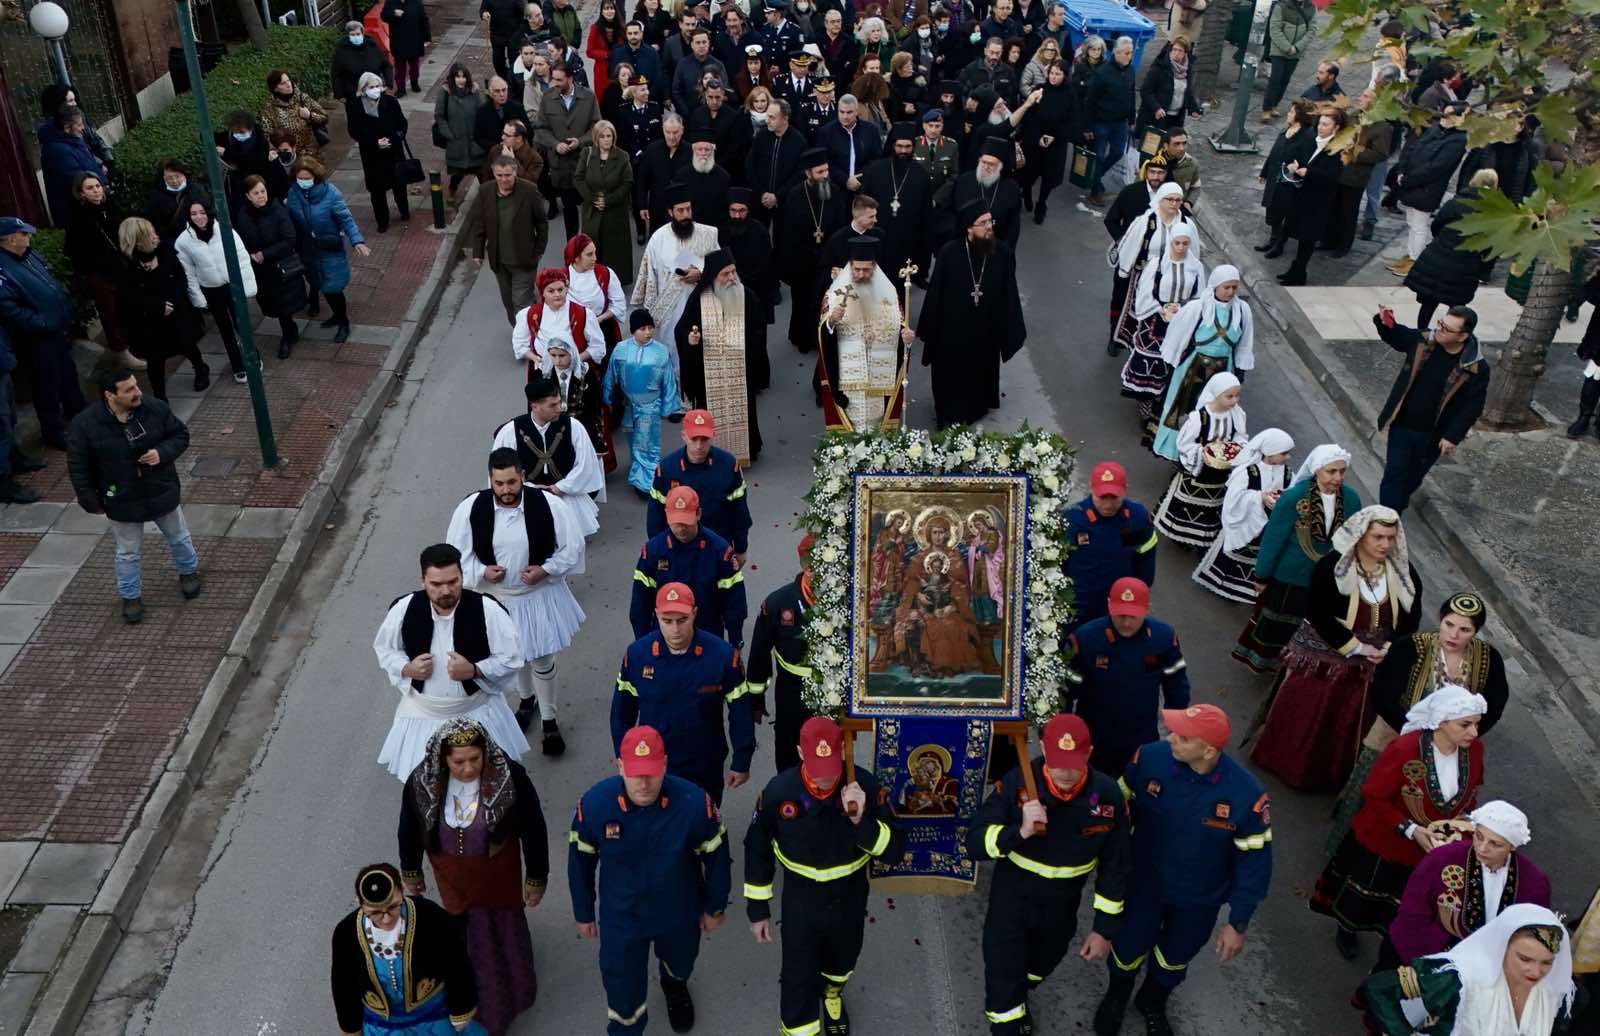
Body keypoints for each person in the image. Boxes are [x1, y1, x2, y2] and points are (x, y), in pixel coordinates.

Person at [1092, 705, 1271, 1036]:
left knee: (1176, 954)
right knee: (1128, 945)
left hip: (1197, 899)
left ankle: (1153, 1000)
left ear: (1208, 750)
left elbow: (1255, 862)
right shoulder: (1149, 758)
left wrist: (1238, 922)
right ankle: (1117, 994)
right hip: (1143, 885)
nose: (1170, 737)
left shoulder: (1247, 795)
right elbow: (1115, 803)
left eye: (1182, 736)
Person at [970, 713, 1130, 1036]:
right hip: (1012, 904)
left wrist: (1104, 930)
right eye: (1057, 762)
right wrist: (1019, 832)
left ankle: (1019, 997)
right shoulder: (1016, 783)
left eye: (1074, 762)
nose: (1065, 772)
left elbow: (1116, 865)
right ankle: (1008, 1019)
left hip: (1061, 909)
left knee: (1039, 967)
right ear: (1042, 748)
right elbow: (975, 842)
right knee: (1004, 983)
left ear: (1089, 753)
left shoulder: (1108, 796)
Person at [744, 715, 904, 1036]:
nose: (825, 781)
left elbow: (895, 850)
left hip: (849, 898)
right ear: (801, 755)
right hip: (801, 901)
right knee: (797, 979)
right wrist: (758, 909)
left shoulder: (866, 787)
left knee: (843, 961)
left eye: (831, 771)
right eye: (818, 773)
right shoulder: (778, 793)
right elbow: (757, 849)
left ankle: (832, 992)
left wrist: (862, 821)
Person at [569, 724, 732, 1035]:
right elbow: (580, 860)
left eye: (652, 773)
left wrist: (715, 906)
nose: (643, 784)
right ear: (619, 766)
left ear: (665, 765)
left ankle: (674, 984)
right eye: (634, 773)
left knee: (682, 960)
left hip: (679, 909)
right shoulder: (594, 806)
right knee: (621, 982)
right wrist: (583, 911)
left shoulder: (695, 804)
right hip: (622, 915)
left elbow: (717, 857)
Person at [1249, 506, 1425, 793]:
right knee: (1312, 715)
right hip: (1328, 656)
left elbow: (1411, 616)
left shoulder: (1405, 573)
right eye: (1378, 537)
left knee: (1349, 724)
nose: (1385, 544)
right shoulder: (1333, 565)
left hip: (1375, 661)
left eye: (1391, 538)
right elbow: (1318, 611)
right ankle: (1292, 767)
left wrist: (1391, 648)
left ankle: (1334, 778)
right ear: (1361, 536)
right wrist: (1355, 646)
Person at [1310, 685, 1487, 963]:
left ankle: (1393, 944)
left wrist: (1461, 826)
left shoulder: (1473, 751)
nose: (1474, 733)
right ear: (1441, 721)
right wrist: (1411, 829)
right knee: (1366, 891)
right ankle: (1347, 927)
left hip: (1428, 848)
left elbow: (1470, 793)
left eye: (1476, 724)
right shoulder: (1405, 749)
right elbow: (1374, 795)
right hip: (1385, 841)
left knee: (1405, 901)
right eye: (1465, 725)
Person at [398, 720, 545, 1035]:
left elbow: (534, 827)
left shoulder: (510, 777)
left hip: (498, 878)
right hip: (453, 881)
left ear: (484, 753)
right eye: (459, 762)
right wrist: (411, 871)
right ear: (444, 760)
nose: (468, 768)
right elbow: (409, 829)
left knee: (502, 934)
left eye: (474, 759)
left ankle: (509, 1000)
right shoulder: (422, 783)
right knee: (466, 941)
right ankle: (471, 1005)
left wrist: (536, 876)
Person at [446, 448, 585, 750]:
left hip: (537, 594)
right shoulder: (470, 509)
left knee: (541, 657)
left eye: (511, 482)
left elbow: (571, 547)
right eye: (499, 484)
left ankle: (549, 719)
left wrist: (545, 570)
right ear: (490, 480)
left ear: (522, 476)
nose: (506, 490)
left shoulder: (548, 504)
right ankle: (526, 701)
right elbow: (457, 557)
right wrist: (482, 571)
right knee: (513, 655)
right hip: (497, 599)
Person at [372, 543, 530, 780]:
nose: (445, 590)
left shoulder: (488, 609)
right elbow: (385, 649)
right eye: (436, 584)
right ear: (423, 580)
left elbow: (512, 658)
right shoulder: (404, 609)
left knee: (486, 782)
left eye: (452, 582)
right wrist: (407, 667)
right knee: (427, 787)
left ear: (462, 576)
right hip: (423, 717)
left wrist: (475, 670)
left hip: (476, 713)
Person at [65, 367, 201, 625]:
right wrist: (90, 499)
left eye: (136, 386)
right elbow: (78, 466)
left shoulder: (154, 408)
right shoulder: (85, 425)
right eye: (129, 389)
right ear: (110, 395)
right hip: (121, 496)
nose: (138, 392)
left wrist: (161, 453)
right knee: (127, 552)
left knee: (179, 536)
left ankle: (189, 572)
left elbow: (180, 435)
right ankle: (130, 597)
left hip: (160, 487)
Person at [614, 580, 753, 805]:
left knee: (703, 823)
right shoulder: (637, 656)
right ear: (656, 615)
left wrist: (742, 760)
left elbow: (740, 711)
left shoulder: (723, 657)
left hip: (704, 763)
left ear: (695, 613)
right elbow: (622, 710)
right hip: (653, 763)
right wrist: (623, 753)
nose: (675, 630)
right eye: (667, 621)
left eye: (682, 620)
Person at [1233, 444, 1361, 673]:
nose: (1337, 477)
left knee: (1309, 624)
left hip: (1324, 579)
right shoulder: (1294, 497)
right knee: (1278, 622)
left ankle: (1298, 665)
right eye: (1331, 471)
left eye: (1342, 471)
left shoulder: (1351, 500)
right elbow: (1274, 538)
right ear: (1317, 470)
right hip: (1289, 576)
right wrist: (1262, 574)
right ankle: (1266, 662)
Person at [1360, 904, 1577, 1036]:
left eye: (1547, 963)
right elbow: (1378, 988)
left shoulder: (1553, 995)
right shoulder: (1459, 979)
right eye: (1525, 959)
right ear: (1500, 947)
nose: (1536, 971)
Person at [330, 863, 485, 1036]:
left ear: (401, 892)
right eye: (375, 913)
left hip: (433, 1017)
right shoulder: (346, 934)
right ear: (361, 904)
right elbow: (343, 985)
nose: (386, 919)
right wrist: (351, 1028)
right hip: (382, 1027)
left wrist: (461, 1009)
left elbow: (456, 963)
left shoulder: (430, 916)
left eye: (392, 907)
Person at [1389, 802, 1553, 964]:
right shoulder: (1441, 859)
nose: (1482, 848)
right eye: (1479, 836)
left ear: (1512, 847)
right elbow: (1413, 913)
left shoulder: (1534, 883)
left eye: (1495, 844)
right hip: (1433, 954)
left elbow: (1531, 935)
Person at [1368, 303, 1489, 512]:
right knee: (1394, 473)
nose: (1439, 329)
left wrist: (1452, 436)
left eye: (1447, 329)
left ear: (1463, 336)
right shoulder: (1424, 340)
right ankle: (1386, 519)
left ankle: (1396, 507)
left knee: (1413, 477)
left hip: (1433, 434)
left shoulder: (1475, 368)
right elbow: (1398, 336)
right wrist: (1384, 321)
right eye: (1441, 323)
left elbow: (1473, 405)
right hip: (1402, 424)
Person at [1064, 577, 1189, 776]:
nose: (1127, 622)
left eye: (1133, 616)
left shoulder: (1163, 638)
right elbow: (1067, 692)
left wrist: (1177, 726)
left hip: (1141, 737)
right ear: (1108, 605)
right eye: (1120, 615)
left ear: (1147, 609)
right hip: (1095, 738)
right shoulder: (1084, 640)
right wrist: (1065, 733)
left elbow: (1176, 684)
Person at [916, 203, 1025, 427]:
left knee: (981, 370)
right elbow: (936, 293)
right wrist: (931, 329)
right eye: (983, 223)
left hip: (986, 328)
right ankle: (946, 413)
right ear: (968, 228)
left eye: (990, 222)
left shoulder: (1002, 252)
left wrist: (1009, 325)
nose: (989, 227)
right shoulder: (950, 252)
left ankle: (977, 407)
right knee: (949, 374)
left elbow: (1009, 291)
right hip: (952, 330)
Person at [0, 216, 88, 447]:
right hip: (36, 339)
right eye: (24, 234)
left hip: (56, 331)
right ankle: (54, 432)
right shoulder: (3, 269)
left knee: (67, 374)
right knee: (46, 385)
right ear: (10, 239)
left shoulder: (28, 256)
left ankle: (79, 414)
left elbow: (50, 281)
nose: (29, 237)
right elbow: (8, 309)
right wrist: (41, 323)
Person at [1152, 266, 1253, 459]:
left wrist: (1240, 370)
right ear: (1215, 286)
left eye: (1234, 288)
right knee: (1184, 408)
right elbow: (1178, 333)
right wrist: (1171, 361)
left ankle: (1209, 453)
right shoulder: (1198, 308)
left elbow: (1245, 341)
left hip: (1224, 369)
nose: (1231, 292)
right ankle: (1177, 451)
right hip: (1194, 368)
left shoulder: (1242, 311)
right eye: (1227, 287)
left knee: (1216, 411)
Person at [674, 251, 766, 464]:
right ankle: (709, 451)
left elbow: (759, 329)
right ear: (713, 277)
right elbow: (682, 330)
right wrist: (691, 341)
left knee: (744, 410)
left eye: (733, 271)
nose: (732, 278)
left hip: (740, 368)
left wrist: (745, 346)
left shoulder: (747, 296)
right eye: (725, 274)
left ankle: (748, 448)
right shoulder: (699, 299)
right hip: (709, 373)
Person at [817, 236, 915, 432]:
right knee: (851, 426)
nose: (861, 274)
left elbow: (900, 325)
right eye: (857, 269)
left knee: (876, 425)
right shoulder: (834, 294)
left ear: (874, 267)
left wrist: (907, 339)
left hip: (879, 375)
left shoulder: (889, 293)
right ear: (851, 267)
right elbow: (823, 333)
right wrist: (831, 322)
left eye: (866, 270)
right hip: (848, 373)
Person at [630, 486, 748, 647]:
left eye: (686, 521)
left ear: (698, 514)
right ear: (666, 515)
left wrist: (736, 642)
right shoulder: (652, 552)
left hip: (707, 635)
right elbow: (641, 603)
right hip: (668, 635)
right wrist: (642, 643)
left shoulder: (720, 552)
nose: (681, 528)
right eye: (676, 522)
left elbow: (734, 603)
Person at [491, 374, 605, 536]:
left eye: (559, 402)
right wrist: (531, 489)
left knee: (569, 544)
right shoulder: (510, 432)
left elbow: (586, 464)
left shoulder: (573, 427)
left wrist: (559, 488)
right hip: (526, 498)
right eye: (553, 405)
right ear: (535, 406)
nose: (560, 408)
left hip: (566, 497)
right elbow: (499, 471)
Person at [1121, 223, 1204, 445]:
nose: (1181, 247)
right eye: (1177, 243)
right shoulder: (1157, 265)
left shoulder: (1195, 267)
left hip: (1181, 321)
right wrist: (1160, 309)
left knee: (1173, 363)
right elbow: (1145, 291)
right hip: (1155, 321)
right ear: (1170, 242)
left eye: (1185, 244)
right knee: (1151, 361)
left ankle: (1161, 402)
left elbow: (1198, 296)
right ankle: (1145, 404)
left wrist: (1185, 311)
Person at [1193, 429, 1295, 603]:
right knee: (1233, 554)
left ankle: (1241, 589)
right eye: (1284, 453)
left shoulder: (1287, 474)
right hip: (1246, 519)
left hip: (1266, 524)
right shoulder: (1247, 472)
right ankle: (1219, 582)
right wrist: (1258, 497)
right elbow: (1233, 499)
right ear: (1270, 453)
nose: (1288, 457)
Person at [631, 185, 722, 380]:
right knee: (670, 350)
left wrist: (701, 273)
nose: (685, 214)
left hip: (699, 305)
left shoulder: (707, 235)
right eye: (680, 211)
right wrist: (649, 309)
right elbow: (649, 275)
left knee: (698, 349)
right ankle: (674, 392)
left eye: (688, 209)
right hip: (669, 312)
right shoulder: (658, 238)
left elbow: (722, 268)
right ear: (670, 212)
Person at [745, 534, 819, 772]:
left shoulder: (845, 600)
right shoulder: (778, 604)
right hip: (791, 693)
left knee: (826, 754)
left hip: (832, 695)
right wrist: (756, 698)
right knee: (789, 753)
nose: (820, 574)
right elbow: (759, 652)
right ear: (804, 566)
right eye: (813, 566)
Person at [115, 217, 208, 402]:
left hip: (176, 311)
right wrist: (157, 307)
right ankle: (160, 396)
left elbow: (181, 279)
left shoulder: (165, 251)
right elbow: (128, 297)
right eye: (148, 233)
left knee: (187, 346)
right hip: (149, 319)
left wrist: (171, 303)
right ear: (137, 238)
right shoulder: (125, 264)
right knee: (155, 359)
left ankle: (201, 368)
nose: (154, 235)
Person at [1062, 461, 1158, 635]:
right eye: (1102, 497)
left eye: (1114, 498)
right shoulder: (1072, 520)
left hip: (1117, 608)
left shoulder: (1136, 519)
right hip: (1078, 608)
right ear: (1091, 488)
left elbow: (1145, 561)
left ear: (1125, 490)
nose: (1108, 505)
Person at [1154, 372, 1249, 546]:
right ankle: (1181, 534)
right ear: (1216, 394)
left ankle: (1203, 537)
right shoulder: (1199, 419)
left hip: (1221, 470)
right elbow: (1185, 443)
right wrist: (1201, 452)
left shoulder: (1236, 414)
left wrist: (1235, 448)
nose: (1234, 400)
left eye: (1237, 396)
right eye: (1229, 396)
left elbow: (1241, 436)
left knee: (1212, 504)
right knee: (1189, 504)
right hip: (1199, 470)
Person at [285, 157, 371, 345]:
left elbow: (346, 219)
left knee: (332, 288)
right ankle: (337, 316)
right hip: (307, 250)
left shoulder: (331, 194)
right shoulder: (293, 193)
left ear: (316, 177)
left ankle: (343, 322)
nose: (303, 181)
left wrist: (357, 241)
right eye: (300, 177)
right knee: (319, 283)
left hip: (329, 249)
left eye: (307, 177)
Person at [645, 411, 754, 559]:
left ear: (713, 436)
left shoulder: (728, 466)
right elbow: (655, 518)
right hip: (679, 550)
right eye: (694, 438)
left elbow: (740, 512)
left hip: (718, 549)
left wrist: (741, 548)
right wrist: (659, 551)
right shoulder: (666, 470)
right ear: (684, 436)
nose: (699, 446)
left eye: (704, 439)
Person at [172, 199, 257, 384]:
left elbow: (241, 257)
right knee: (225, 329)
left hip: (231, 285)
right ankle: (237, 364)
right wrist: (198, 298)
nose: (199, 217)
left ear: (208, 212)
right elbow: (189, 273)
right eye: (193, 214)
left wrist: (247, 286)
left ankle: (252, 355)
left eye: (202, 212)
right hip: (211, 289)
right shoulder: (183, 242)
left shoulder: (225, 230)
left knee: (241, 322)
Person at [1404, 170, 1498, 330]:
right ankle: (1448, 334)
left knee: (1428, 304)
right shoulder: (1493, 214)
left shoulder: (1456, 203)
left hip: (1440, 258)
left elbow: (1437, 224)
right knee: (1456, 310)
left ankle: (1422, 335)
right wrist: (1484, 271)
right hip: (1466, 267)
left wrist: (1443, 240)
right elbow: (1492, 247)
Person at [463, 155, 550, 326]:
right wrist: (478, 252)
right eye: (499, 175)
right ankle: (522, 329)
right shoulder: (486, 191)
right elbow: (480, 222)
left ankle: (528, 340)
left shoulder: (530, 190)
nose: (504, 179)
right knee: (508, 302)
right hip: (500, 262)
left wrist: (539, 250)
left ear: (515, 173)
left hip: (524, 260)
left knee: (521, 303)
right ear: (494, 174)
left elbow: (541, 222)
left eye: (508, 175)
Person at [1386, 102, 1469, 279]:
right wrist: (1402, 170)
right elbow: (1413, 148)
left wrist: (1409, 179)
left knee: (1419, 225)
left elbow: (1436, 167)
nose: (1444, 119)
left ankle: (1415, 260)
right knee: (1411, 222)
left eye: (1449, 115)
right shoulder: (1435, 129)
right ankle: (1410, 254)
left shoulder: (1458, 140)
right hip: (1411, 182)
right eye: (1444, 114)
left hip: (1427, 188)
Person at [604, 310, 681, 494]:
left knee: (646, 443)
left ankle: (646, 483)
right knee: (633, 441)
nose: (648, 332)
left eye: (650, 328)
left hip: (649, 405)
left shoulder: (661, 351)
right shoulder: (621, 348)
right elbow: (611, 374)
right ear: (633, 330)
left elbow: (668, 379)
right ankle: (640, 472)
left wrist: (668, 406)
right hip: (628, 405)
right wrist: (607, 397)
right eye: (642, 328)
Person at [62, 172, 135, 362]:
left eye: (97, 186)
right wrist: (94, 269)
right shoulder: (77, 218)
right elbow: (73, 250)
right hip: (100, 274)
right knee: (110, 313)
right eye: (89, 188)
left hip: (121, 268)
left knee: (127, 307)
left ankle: (133, 343)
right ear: (81, 193)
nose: (96, 191)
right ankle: (121, 351)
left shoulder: (110, 206)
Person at [1108, 181, 1188, 355]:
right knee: (1132, 310)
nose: (1174, 203)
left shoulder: (1185, 224)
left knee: (1164, 315)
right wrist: (1124, 270)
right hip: (1141, 277)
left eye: (1178, 200)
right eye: (1170, 199)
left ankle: (1157, 350)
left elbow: (1193, 252)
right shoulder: (1145, 221)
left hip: (1169, 279)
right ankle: (1121, 341)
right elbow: (1129, 245)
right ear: (1160, 200)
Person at [235, 175, 307, 359]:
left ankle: (288, 337)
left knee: (283, 305)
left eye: (263, 191)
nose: (261, 196)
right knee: (273, 305)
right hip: (260, 270)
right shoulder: (243, 214)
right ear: (248, 196)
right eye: (256, 193)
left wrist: (264, 254)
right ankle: (290, 329)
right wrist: (249, 254)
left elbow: (289, 239)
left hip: (279, 266)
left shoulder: (278, 211)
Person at [1275, 107, 1345, 287]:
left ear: (1336, 127)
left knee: (1307, 239)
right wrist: (1295, 166)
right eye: (1320, 123)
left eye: (1325, 124)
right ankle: (1295, 270)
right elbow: (1302, 157)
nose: (1320, 127)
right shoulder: (1313, 140)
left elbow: (1333, 175)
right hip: (1301, 196)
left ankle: (1299, 272)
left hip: (1318, 202)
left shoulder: (1338, 149)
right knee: (1296, 231)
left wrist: (1309, 172)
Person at [537, 64, 601, 242]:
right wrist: (555, 144)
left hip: (585, 164)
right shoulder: (547, 98)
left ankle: (591, 246)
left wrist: (580, 142)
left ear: (570, 78)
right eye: (553, 79)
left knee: (589, 207)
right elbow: (541, 130)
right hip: (561, 166)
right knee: (569, 208)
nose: (554, 83)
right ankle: (572, 248)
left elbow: (597, 126)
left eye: (559, 79)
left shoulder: (588, 97)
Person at [1327, 90, 1393, 258]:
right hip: (1338, 171)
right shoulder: (1354, 116)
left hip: (1356, 175)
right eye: (1361, 94)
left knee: (1348, 213)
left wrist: (1354, 152)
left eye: (1365, 96)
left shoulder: (1382, 126)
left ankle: (1343, 245)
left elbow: (1380, 154)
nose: (1360, 98)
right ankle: (1329, 240)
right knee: (1333, 208)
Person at [511, 267, 608, 377]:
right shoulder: (528, 314)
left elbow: (598, 346)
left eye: (560, 289)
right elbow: (520, 345)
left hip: (575, 372)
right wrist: (536, 358)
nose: (557, 294)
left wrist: (575, 359)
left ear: (566, 289)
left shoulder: (584, 314)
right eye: (551, 291)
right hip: (543, 372)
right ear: (542, 292)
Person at [346, 72, 412, 233]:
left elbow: (401, 125)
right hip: (372, 155)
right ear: (363, 89)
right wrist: (374, 143)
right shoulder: (354, 106)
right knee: (377, 190)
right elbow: (354, 130)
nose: (375, 90)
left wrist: (392, 140)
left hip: (393, 151)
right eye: (371, 87)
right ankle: (382, 220)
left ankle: (404, 211)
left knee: (399, 185)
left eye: (377, 86)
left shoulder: (390, 102)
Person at [1255, 99, 1318, 259]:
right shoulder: (1287, 129)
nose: (1288, 114)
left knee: (1283, 213)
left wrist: (1296, 170)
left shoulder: (1307, 135)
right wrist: (1265, 171)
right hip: (1275, 177)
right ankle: (1273, 239)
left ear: (1300, 116)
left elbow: (1305, 160)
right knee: (1272, 210)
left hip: (1288, 182)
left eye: (1291, 112)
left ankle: (1279, 244)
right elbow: (1275, 151)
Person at [1081, 36, 1136, 206]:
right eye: (1127, 53)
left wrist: (1132, 118)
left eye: (1131, 53)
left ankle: (1094, 178)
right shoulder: (1103, 73)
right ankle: (1096, 191)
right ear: (1117, 53)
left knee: (1117, 152)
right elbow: (1090, 101)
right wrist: (1088, 126)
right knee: (1098, 156)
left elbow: (1132, 95)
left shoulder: (1130, 70)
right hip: (1101, 122)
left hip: (1120, 122)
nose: (1130, 56)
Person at [1017, 61, 1071, 222]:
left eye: (1058, 74)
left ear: (1064, 76)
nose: (1053, 77)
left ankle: (1041, 205)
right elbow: (1029, 116)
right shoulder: (1039, 89)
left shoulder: (1069, 94)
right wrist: (1037, 137)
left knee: (1048, 178)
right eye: (1052, 73)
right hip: (1035, 141)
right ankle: (1026, 192)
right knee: (1029, 173)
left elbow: (1071, 120)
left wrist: (1055, 136)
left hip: (1055, 144)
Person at [38, 106, 106, 228]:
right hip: (79, 216)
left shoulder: (70, 140)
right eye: (79, 125)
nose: (83, 128)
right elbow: (76, 182)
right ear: (67, 128)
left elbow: (85, 160)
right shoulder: (58, 151)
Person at [0, 323, 40, 503]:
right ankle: (3, 484)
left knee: (9, 419)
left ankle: (14, 458)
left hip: (3, 366)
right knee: (1, 429)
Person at [436, 64, 489, 198]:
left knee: (482, 174)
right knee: (458, 174)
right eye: (458, 77)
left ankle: (486, 198)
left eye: (464, 76)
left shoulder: (475, 91)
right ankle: (452, 191)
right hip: (457, 142)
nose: (461, 80)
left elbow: (482, 113)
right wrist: (449, 135)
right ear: (452, 78)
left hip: (474, 142)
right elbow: (439, 116)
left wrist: (481, 134)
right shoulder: (445, 92)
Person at [1259, 0, 1315, 120]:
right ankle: (1267, 108)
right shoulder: (1281, 6)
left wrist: (1297, 47)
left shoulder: (1311, 8)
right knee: (1275, 79)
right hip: (1279, 51)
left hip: (1296, 52)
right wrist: (1287, 47)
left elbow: (1311, 31)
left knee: (1285, 79)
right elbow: (1274, 29)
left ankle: (1274, 105)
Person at [1137, 38, 1201, 137]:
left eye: (1180, 51)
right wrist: (1157, 108)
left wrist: (1194, 109)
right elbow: (1145, 91)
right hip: (1156, 118)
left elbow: (1187, 92)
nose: (1176, 53)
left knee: (1170, 149)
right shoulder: (1159, 68)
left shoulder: (1187, 70)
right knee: (1153, 150)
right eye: (1174, 50)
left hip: (1176, 119)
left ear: (1185, 53)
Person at [261, 70, 329, 162]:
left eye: (288, 80)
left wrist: (310, 115)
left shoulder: (303, 98)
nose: (288, 85)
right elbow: (267, 134)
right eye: (283, 83)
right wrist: (276, 151)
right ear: (275, 88)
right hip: (289, 157)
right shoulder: (270, 109)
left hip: (311, 154)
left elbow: (324, 117)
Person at [681, 134, 733, 234]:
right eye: (699, 149)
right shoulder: (682, 175)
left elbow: (726, 209)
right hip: (689, 228)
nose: (703, 153)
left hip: (715, 229)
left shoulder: (724, 177)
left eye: (707, 149)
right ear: (693, 151)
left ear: (713, 151)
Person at [332, 19, 394, 102]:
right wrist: (340, 95)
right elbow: (336, 74)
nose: (356, 37)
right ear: (348, 36)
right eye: (352, 35)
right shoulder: (342, 51)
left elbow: (386, 65)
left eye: (358, 34)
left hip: (375, 91)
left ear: (363, 34)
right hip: (353, 95)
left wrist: (389, 84)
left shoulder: (372, 46)